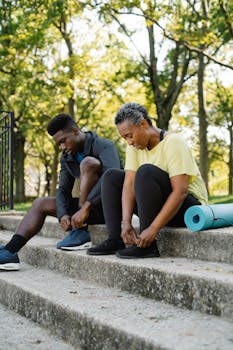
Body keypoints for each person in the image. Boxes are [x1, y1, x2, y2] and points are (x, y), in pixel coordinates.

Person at [0, 114, 122, 270]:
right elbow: (63, 189)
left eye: (64, 141)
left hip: (109, 209)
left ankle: (80, 232)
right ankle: (10, 250)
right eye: (59, 144)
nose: (63, 147)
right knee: (40, 203)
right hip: (84, 210)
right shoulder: (66, 157)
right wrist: (63, 214)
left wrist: (85, 208)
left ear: (75, 131)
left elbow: (111, 177)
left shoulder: (104, 145)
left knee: (88, 163)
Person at [88, 103, 208, 259]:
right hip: (158, 205)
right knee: (111, 177)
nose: (129, 142)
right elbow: (129, 184)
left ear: (143, 124)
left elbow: (180, 191)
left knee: (145, 171)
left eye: (130, 135)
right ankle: (115, 239)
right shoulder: (134, 147)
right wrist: (126, 223)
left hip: (188, 208)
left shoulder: (173, 142)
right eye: (125, 138)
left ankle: (148, 246)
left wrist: (153, 228)